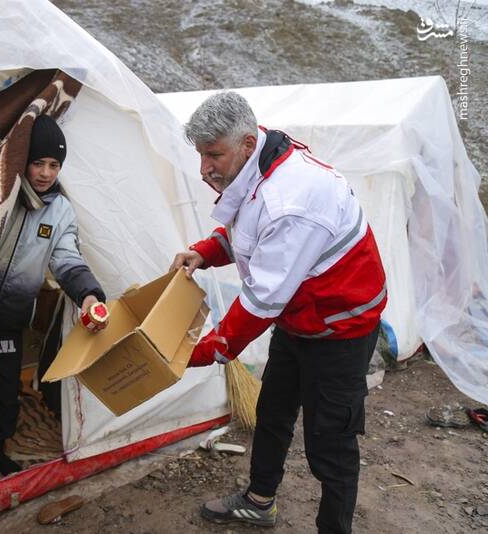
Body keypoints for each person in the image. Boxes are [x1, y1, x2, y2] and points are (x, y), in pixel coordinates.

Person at [170, 91, 387, 534]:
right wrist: (206, 252)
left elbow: (262, 299)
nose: (205, 167)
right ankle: (259, 501)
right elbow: (249, 232)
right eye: (200, 154)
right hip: (300, 319)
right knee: (273, 412)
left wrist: (206, 350)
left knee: (330, 443)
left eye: (214, 154)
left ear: (247, 144)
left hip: (340, 329)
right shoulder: (258, 163)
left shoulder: (293, 199)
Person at [0, 114, 106, 476]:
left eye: (54, 165)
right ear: (24, 160)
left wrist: (88, 295)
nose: (47, 173)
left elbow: (67, 257)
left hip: (10, 315)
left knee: (4, 388)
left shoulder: (60, 210)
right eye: (39, 162)